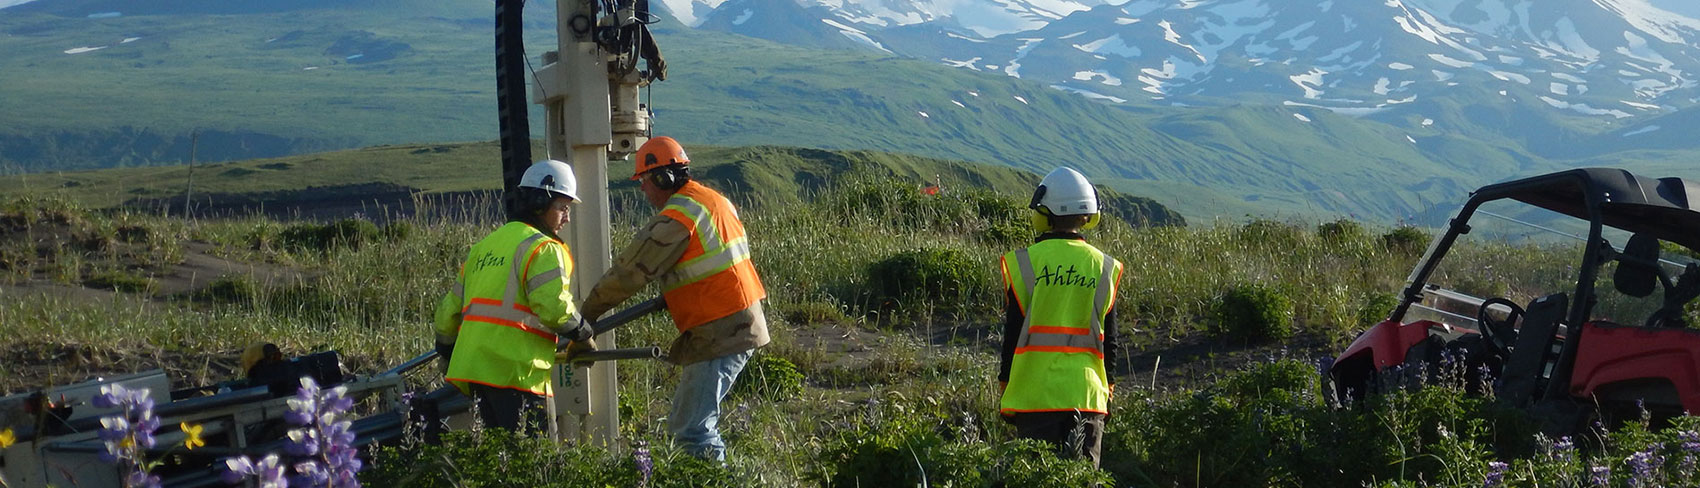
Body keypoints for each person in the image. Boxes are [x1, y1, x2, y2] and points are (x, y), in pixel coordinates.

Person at [577, 136, 770, 462]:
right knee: (686, 423)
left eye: (643, 181)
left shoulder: (679, 216)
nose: (642, 190)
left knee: (691, 430)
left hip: (722, 331)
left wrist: (585, 316)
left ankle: (714, 485)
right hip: (732, 324)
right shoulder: (712, 200)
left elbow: (629, 274)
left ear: (661, 178)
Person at [433, 159, 595, 431]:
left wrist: (447, 351)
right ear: (539, 203)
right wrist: (583, 334)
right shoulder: (543, 248)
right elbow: (553, 308)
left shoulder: (483, 248)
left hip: (477, 374)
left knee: (501, 461)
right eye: (563, 208)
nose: (567, 217)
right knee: (534, 462)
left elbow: (447, 313)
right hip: (518, 373)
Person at [997, 166, 1122, 468]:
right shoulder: (1105, 267)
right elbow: (1111, 341)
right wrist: (1109, 390)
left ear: (1044, 213)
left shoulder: (1023, 262)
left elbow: (1013, 332)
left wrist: (1005, 382)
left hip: (1035, 395)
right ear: (1090, 215)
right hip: (1088, 395)